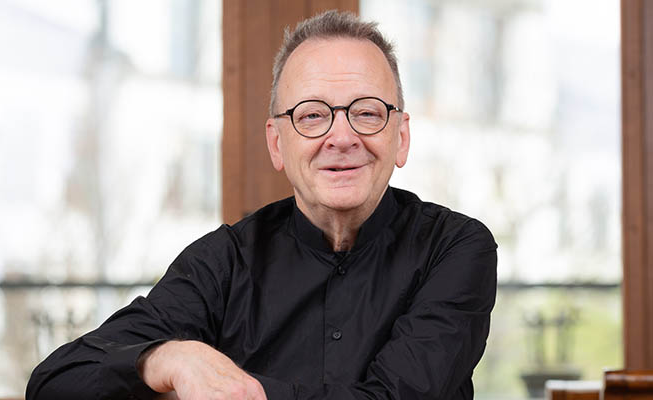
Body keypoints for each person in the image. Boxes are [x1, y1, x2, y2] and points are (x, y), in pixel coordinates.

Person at [26, 10, 497, 400]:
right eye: (312, 115)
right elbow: (56, 382)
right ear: (277, 143)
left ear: (402, 138)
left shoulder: (456, 247)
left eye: (367, 112)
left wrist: (239, 391)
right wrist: (165, 358)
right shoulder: (225, 261)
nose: (341, 136)